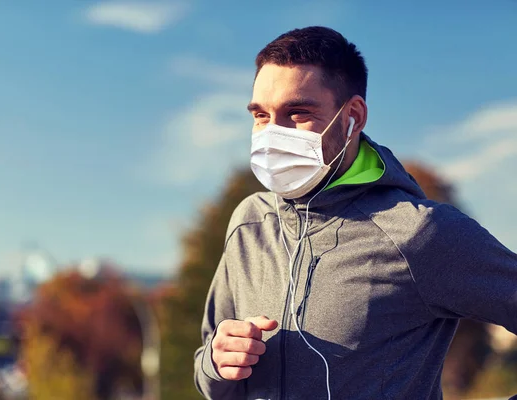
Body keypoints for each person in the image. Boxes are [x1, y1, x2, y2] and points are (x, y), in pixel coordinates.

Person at [192, 26, 517, 399]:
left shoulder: (419, 232)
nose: (272, 134)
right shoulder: (249, 221)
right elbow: (209, 374)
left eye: (297, 112)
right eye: (261, 115)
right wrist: (217, 364)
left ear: (353, 116)